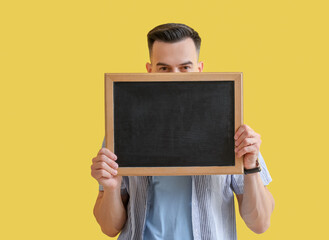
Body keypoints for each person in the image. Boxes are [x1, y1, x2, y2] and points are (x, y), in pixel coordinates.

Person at [91, 23, 274, 240]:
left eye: (185, 68)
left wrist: (251, 167)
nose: (174, 77)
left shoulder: (231, 129)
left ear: (199, 69)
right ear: (150, 72)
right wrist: (112, 188)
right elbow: (109, 228)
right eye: (164, 69)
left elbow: (260, 223)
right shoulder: (122, 129)